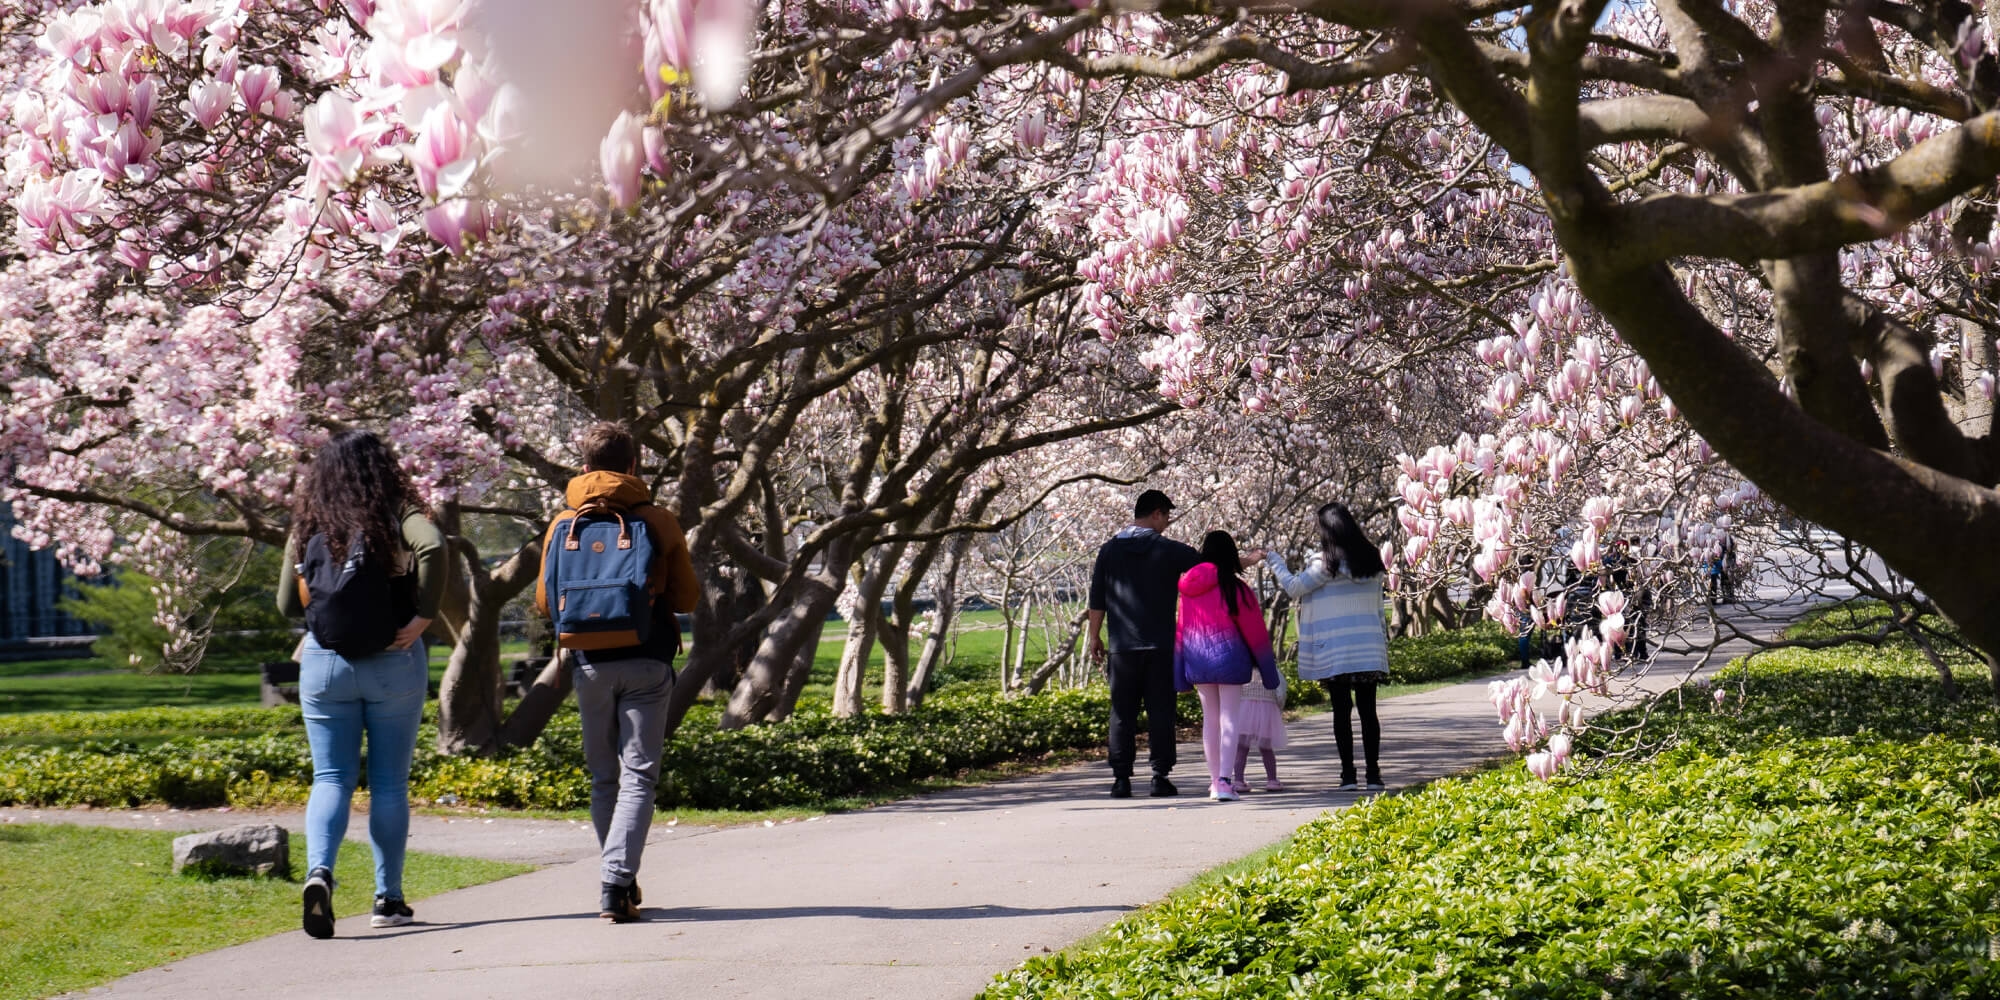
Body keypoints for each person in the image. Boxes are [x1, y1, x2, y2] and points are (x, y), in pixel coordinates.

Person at [277, 430, 446, 939]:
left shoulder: (310, 519)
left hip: (325, 663)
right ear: (382, 468)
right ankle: (387, 898)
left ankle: (319, 873)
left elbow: (287, 605)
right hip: (394, 657)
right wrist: (424, 616)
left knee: (331, 778)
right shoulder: (395, 511)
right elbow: (435, 546)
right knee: (389, 782)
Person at [536, 422, 697, 922]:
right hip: (647, 659)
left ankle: (617, 878)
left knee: (605, 777)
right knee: (639, 776)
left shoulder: (563, 521)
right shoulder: (658, 520)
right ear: (634, 466)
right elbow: (687, 598)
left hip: (587, 663)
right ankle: (616, 881)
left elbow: (545, 602)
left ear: (583, 468)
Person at [1263, 502, 1390, 791]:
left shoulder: (1325, 565)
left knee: (1341, 711)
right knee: (1368, 712)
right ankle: (1373, 774)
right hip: (1367, 647)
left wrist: (1275, 561)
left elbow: (1294, 587)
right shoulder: (1373, 559)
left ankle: (1348, 775)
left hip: (1337, 651)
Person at [1087, 489, 1203, 798]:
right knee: (1161, 711)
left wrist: (1094, 636)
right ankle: (1159, 776)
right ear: (1156, 513)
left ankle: (1121, 779)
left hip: (1122, 647)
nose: (1166, 523)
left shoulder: (1108, 551)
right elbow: (1208, 567)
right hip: (1160, 646)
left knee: (1122, 713)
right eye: (1166, 517)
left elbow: (1097, 599)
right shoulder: (1169, 550)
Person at [1172, 530, 1281, 801]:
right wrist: (1269, 674)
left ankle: (1213, 782)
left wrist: (1178, 672)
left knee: (1210, 720)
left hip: (1197, 659)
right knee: (1229, 718)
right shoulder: (1236, 588)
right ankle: (1224, 780)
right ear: (1230, 555)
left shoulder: (1188, 587)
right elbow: (1256, 633)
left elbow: (1181, 630)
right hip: (1230, 659)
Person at [1231, 667, 1288, 793]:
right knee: (1266, 748)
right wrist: (1278, 708)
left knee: (1241, 749)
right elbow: (1280, 694)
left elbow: (1234, 693)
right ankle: (1272, 780)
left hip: (1244, 712)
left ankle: (1239, 781)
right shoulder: (1273, 672)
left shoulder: (1242, 671)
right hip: (1267, 712)